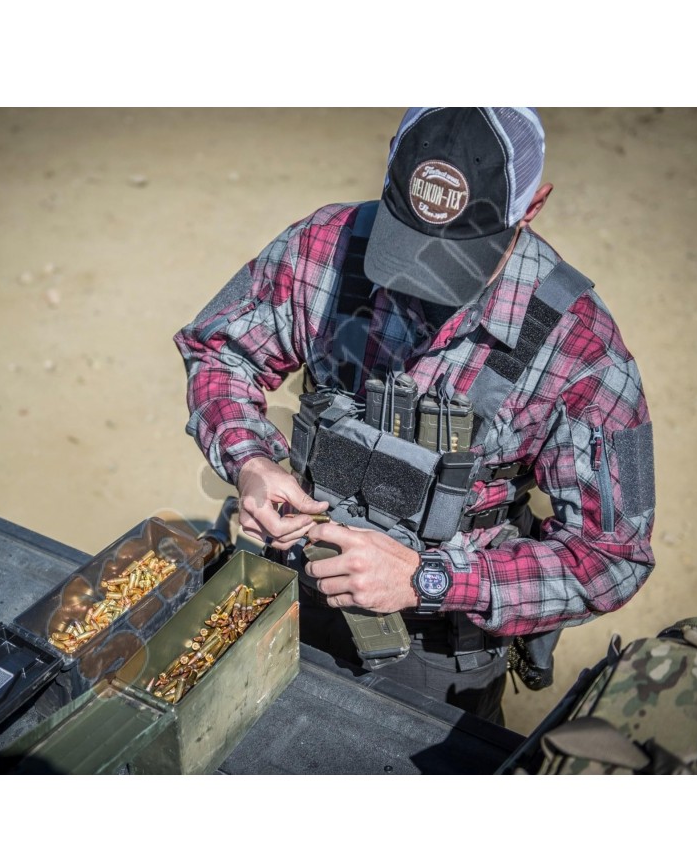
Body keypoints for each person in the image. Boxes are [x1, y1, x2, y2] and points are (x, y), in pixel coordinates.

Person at [174, 108, 655, 724]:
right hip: (287, 582)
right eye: (405, 242)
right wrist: (251, 462)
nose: (420, 280)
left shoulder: (581, 350)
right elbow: (221, 350)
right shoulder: (324, 245)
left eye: (457, 258)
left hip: (438, 647)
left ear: (533, 207)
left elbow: (612, 557)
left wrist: (428, 579)